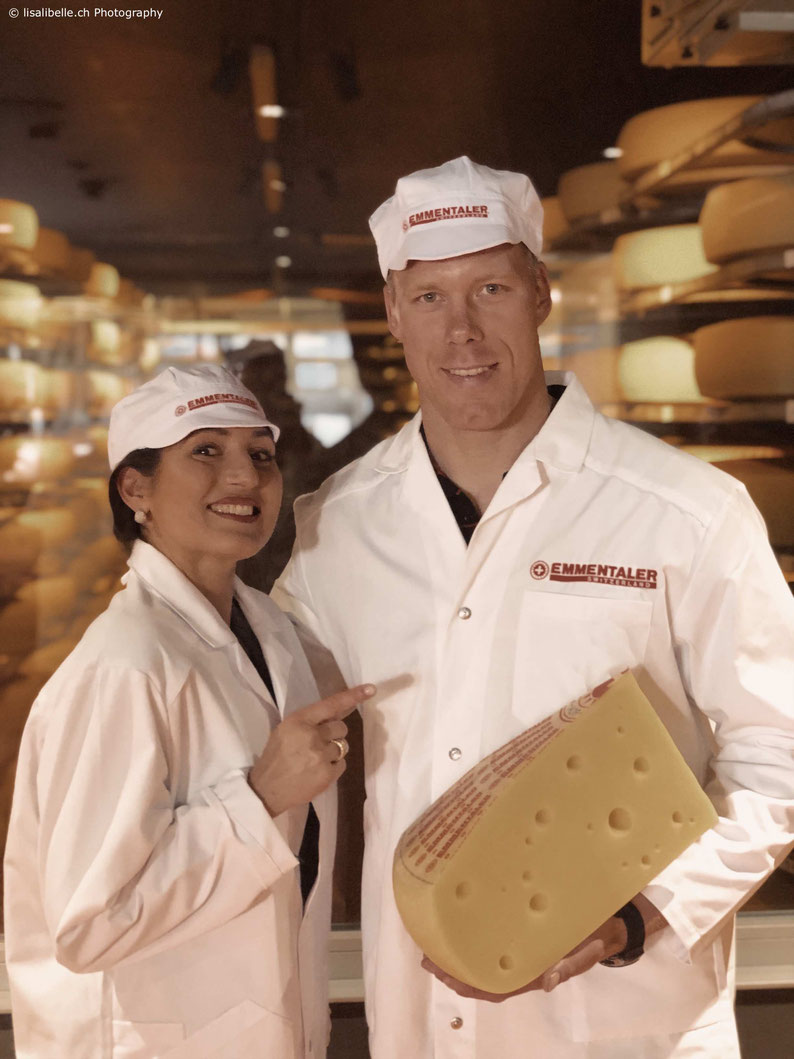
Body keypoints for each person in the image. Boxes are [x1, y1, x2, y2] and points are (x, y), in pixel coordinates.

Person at [272, 157, 794, 1058]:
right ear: (393, 311)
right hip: (423, 1027)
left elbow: (779, 753)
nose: (462, 329)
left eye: (491, 288)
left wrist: (640, 914)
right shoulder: (335, 531)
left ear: (542, 292)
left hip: (629, 1025)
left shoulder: (686, 511)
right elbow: (271, 735)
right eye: (429, 297)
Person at [3, 363, 375, 1059]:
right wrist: (259, 799)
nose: (244, 477)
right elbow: (89, 924)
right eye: (206, 451)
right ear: (135, 488)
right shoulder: (126, 666)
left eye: (258, 455)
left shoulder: (270, 632)